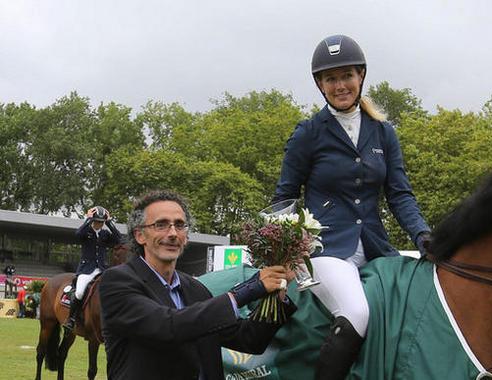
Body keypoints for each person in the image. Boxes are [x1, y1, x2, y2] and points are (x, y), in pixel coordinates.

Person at [273, 34, 431, 380]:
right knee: (357, 312)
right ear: (320, 84)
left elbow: (400, 195)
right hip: (326, 250)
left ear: (361, 76)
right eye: (331, 78)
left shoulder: (383, 132)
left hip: (376, 247)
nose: (340, 85)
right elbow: (284, 197)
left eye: (347, 75)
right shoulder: (309, 132)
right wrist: (283, 252)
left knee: (421, 299)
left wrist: (422, 235)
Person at [99, 190, 295, 380]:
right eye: (161, 225)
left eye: (180, 225)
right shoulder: (117, 281)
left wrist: (276, 295)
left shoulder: (195, 288)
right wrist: (248, 290)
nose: (173, 233)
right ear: (140, 235)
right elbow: (167, 327)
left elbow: (249, 340)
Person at [64, 206, 122, 330]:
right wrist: (88, 219)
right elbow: (78, 234)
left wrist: (109, 222)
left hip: (102, 270)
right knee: (79, 292)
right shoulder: (86, 232)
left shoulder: (105, 234)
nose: (99, 224)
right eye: (97, 221)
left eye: (101, 222)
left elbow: (118, 239)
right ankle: (71, 319)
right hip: (86, 270)